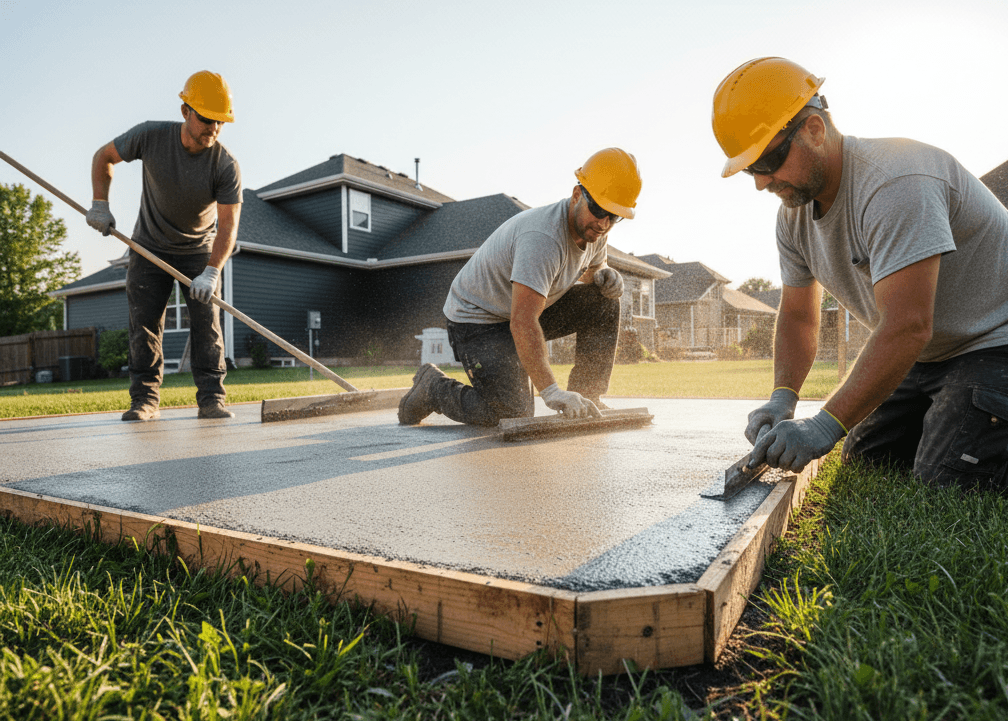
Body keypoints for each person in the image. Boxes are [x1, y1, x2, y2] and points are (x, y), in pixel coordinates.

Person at [712, 57, 1008, 491]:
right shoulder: (793, 216)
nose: (761, 181)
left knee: (947, 480)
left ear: (815, 129)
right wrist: (782, 398)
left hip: (994, 344)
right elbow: (798, 316)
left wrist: (823, 425)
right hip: (927, 356)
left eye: (770, 160)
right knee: (867, 461)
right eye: (751, 169)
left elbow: (908, 325)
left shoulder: (896, 183)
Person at [397, 148, 642, 427]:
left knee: (603, 301)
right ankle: (433, 388)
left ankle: (588, 397)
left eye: (614, 216)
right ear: (577, 194)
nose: (603, 223)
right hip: (477, 321)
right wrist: (551, 392)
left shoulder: (595, 232)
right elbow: (523, 321)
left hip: (516, 311)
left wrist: (604, 275)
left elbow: (590, 271)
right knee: (512, 413)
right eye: (598, 210)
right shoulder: (543, 239)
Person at [87, 71, 243, 421]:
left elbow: (228, 226)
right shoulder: (150, 136)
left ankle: (212, 399)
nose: (214, 128)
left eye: (220, 122)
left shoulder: (225, 164)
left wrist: (212, 272)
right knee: (144, 325)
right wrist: (100, 204)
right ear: (186, 110)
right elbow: (103, 157)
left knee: (207, 325)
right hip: (148, 247)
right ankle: (144, 400)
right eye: (206, 119)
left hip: (199, 252)